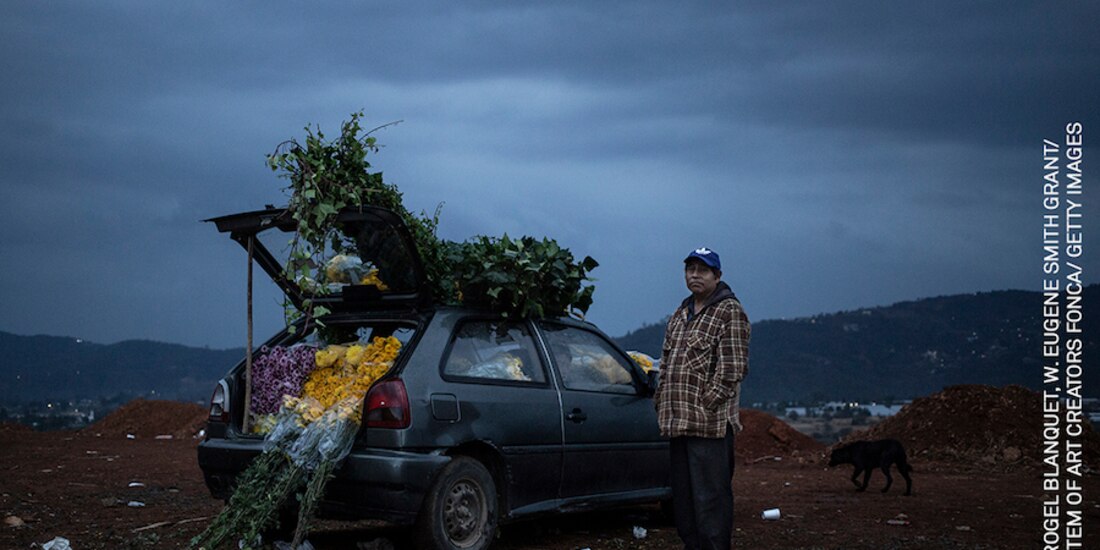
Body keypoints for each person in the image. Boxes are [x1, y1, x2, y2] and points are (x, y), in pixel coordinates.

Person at [654, 247, 751, 550]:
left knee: (710, 499)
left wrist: (706, 404)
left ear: (717, 276)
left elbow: (733, 369)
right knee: (683, 499)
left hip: (709, 426)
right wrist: (661, 398)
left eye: (702, 270)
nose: (694, 275)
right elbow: (666, 359)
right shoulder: (681, 312)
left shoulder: (729, 311)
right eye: (690, 269)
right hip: (677, 422)